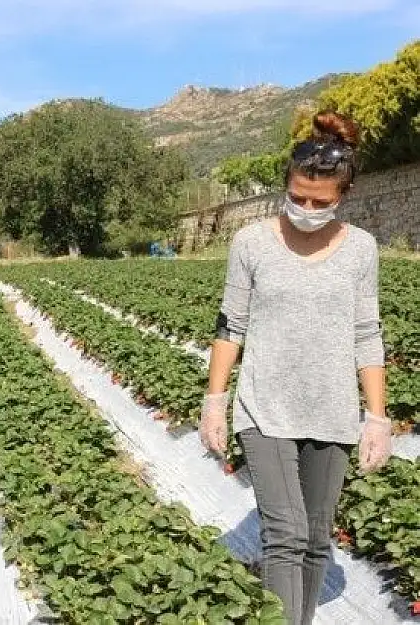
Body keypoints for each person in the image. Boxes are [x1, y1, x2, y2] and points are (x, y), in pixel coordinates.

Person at [199, 111, 392, 625]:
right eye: (298, 197)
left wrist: (377, 416)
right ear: (285, 184)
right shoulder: (252, 244)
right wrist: (214, 402)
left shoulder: (360, 250)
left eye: (321, 202)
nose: (307, 209)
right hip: (264, 408)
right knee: (283, 534)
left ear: (344, 196)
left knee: (314, 539)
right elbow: (230, 325)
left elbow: (366, 335)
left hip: (331, 412)